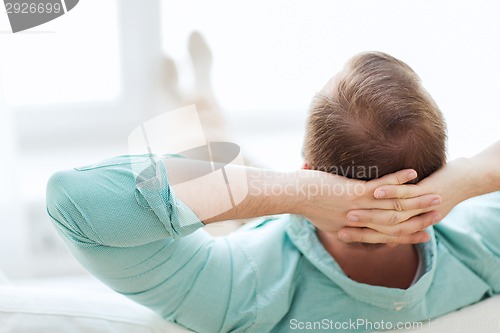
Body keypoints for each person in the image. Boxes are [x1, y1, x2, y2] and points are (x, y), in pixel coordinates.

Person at [46, 52, 500, 333]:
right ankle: (202, 102)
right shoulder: (484, 245)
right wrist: (470, 175)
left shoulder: (244, 288)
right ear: (435, 170)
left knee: (230, 170)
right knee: (236, 164)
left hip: (256, 233)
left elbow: (75, 201)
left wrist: (295, 193)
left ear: (306, 167)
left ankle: (198, 107)